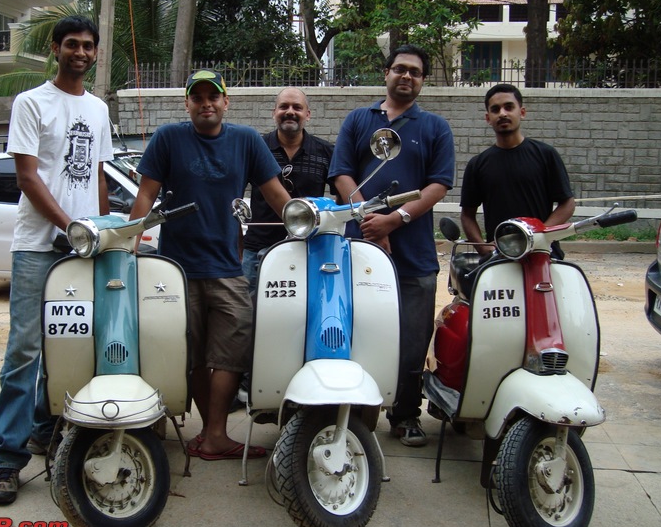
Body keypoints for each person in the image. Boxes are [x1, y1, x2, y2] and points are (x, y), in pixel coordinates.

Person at [129, 69, 290, 460]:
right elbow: (145, 196)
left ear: (225, 101)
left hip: (228, 267)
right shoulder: (169, 138)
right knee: (194, 355)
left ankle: (215, 433)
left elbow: (277, 196)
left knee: (231, 352)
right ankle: (211, 434)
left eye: (212, 97)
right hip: (177, 269)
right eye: (197, 98)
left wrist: (308, 229)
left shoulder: (247, 141)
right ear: (187, 104)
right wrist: (127, 245)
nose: (206, 104)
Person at [0, 16, 113, 504]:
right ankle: (6, 458)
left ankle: (44, 428)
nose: (80, 52)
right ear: (55, 49)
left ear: (95, 53)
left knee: (71, 343)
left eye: (88, 46)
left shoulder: (98, 109)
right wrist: (69, 227)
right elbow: (27, 176)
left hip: (84, 248)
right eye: (71, 45)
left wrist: (100, 230)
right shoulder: (31, 103)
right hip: (39, 246)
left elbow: (98, 175)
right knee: (24, 349)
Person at [329, 44, 455, 447]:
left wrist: (396, 219)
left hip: (415, 255)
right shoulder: (357, 120)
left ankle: (405, 416)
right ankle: (355, 413)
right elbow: (343, 175)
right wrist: (371, 221)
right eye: (400, 69)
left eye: (415, 72)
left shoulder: (435, 127)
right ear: (386, 73)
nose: (406, 76)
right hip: (361, 247)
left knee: (412, 338)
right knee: (357, 331)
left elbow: (438, 184)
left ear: (422, 81)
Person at [460, 84, 575, 255]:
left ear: (522, 112)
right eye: (495, 109)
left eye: (509, 107)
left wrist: (539, 234)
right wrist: (483, 248)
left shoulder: (545, 154)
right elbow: (467, 215)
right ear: (488, 118)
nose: (502, 113)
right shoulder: (477, 164)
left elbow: (567, 204)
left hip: (543, 253)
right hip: (499, 257)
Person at [242, 87, 334, 292]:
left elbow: (340, 201)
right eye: (284, 106)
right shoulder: (256, 147)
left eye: (297, 107)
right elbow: (234, 196)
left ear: (307, 115)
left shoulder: (326, 152)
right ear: (274, 112)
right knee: (245, 318)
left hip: (308, 249)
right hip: (257, 250)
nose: (290, 111)